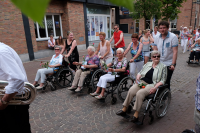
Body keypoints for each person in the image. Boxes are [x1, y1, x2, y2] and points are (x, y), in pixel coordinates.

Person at [116, 51, 167, 123]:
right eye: (154, 56)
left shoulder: (163, 67)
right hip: (142, 83)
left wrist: (155, 88)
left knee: (140, 93)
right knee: (131, 90)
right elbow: (140, 72)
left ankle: (136, 115)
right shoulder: (148, 64)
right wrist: (138, 76)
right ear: (151, 58)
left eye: (158, 56)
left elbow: (163, 80)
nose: (156, 58)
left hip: (152, 85)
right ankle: (124, 109)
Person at [0, 42, 31, 133]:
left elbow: (18, 79)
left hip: (12, 103)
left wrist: (3, 102)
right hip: (11, 102)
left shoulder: (1, 52)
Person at [153, 21, 178, 90]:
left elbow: (175, 52)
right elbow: (155, 50)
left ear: (167, 28)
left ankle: (167, 95)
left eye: (164, 28)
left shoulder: (173, 37)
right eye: (160, 28)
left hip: (169, 62)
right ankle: (161, 94)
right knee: (158, 79)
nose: (162, 29)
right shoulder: (157, 37)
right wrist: (154, 61)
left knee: (166, 80)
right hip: (159, 62)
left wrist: (173, 64)